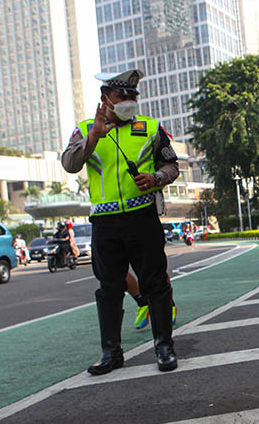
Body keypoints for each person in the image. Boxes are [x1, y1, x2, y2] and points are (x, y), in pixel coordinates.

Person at [61, 68, 179, 375]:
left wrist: (156, 178)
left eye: (132, 96)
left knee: (155, 283)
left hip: (142, 218)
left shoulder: (150, 127)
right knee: (109, 287)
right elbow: (70, 164)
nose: (128, 100)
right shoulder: (86, 128)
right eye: (121, 95)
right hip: (105, 222)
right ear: (105, 99)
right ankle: (110, 353)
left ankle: (164, 347)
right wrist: (94, 137)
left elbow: (172, 166)